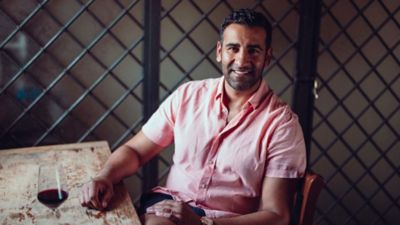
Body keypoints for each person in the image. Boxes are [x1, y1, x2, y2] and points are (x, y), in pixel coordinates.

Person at [80, 8, 306, 225]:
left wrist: (203, 223)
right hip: (169, 209)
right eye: (233, 48)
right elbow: (136, 152)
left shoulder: (282, 125)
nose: (242, 60)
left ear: (267, 56)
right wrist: (106, 176)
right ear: (219, 52)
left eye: (253, 50)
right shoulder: (189, 95)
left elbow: (276, 215)